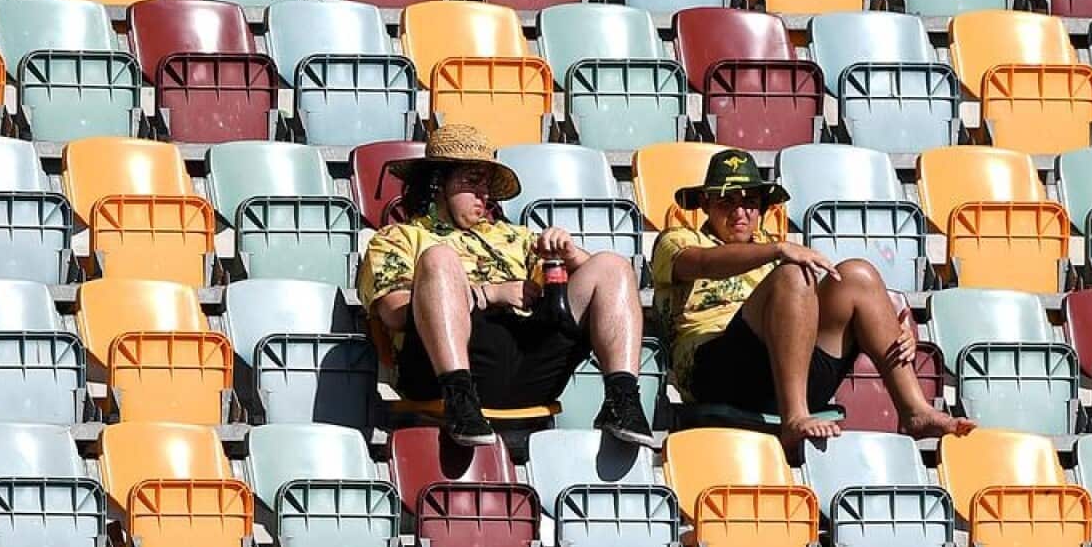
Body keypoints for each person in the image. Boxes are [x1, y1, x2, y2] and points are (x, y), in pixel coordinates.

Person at [651, 148, 975, 445]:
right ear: (705, 203)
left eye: (750, 202)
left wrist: (895, 330)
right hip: (716, 373)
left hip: (786, 368)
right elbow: (702, 263)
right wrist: (778, 250)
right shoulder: (678, 240)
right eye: (727, 201)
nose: (740, 212)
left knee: (857, 276)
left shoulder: (775, 250)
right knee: (794, 273)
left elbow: (817, 309)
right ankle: (795, 417)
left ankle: (915, 410)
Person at [360, 124, 652, 447]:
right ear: (438, 183)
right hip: (442, 368)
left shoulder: (515, 236)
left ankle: (622, 399)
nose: (483, 195)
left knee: (613, 265)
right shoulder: (398, 238)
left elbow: (602, 291)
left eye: (487, 185)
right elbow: (394, 313)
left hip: (528, 361)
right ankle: (460, 397)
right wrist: (490, 294)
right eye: (472, 182)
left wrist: (570, 255)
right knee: (439, 258)